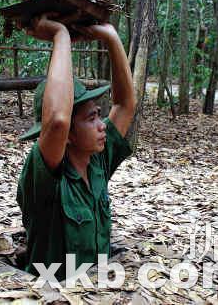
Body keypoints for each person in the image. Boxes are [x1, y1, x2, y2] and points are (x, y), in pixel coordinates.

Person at [16, 15, 136, 281]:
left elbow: (125, 105)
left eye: (98, 115)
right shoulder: (44, 175)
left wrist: (111, 37)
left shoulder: (98, 161)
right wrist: (61, 35)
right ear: (67, 135)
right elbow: (57, 121)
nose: (102, 125)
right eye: (91, 119)